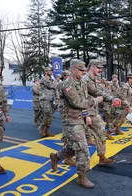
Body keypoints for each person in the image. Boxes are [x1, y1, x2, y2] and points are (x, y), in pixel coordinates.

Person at [50, 59, 105, 189]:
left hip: (80, 119)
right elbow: (78, 102)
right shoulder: (66, 84)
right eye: (81, 70)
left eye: (84, 70)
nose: (83, 72)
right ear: (73, 70)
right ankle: (82, 176)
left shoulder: (82, 83)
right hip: (71, 121)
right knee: (82, 148)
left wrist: (86, 116)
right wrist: (95, 101)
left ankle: (56, 157)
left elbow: (83, 103)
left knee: (73, 146)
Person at [82, 59, 121, 164]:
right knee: (76, 140)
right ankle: (60, 156)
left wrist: (112, 98)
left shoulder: (94, 79)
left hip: (93, 112)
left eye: (101, 68)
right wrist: (86, 115)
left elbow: (101, 91)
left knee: (101, 132)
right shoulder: (85, 80)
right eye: (98, 68)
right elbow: (94, 92)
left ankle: (102, 156)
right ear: (92, 67)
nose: (100, 70)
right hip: (83, 112)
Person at [38, 67, 58, 137]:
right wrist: (57, 84)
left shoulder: (52, 79)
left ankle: (47, 131)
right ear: (46, 72)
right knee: (47, 114)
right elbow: (52, 85)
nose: (52, 71)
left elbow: (55, 88)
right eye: (50, 70)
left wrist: (57, 99)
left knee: (50, 116)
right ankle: (41, 127)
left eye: (52, 70)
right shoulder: (44, 79)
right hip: (45, 99)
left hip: (50, 99)